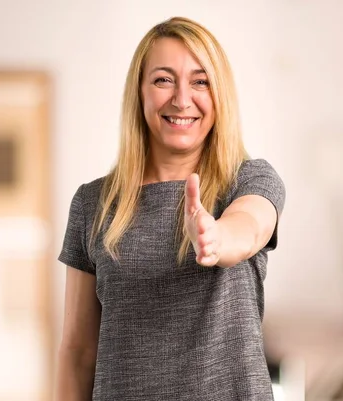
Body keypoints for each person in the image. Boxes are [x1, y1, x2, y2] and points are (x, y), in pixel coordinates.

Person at [56, 16, 285, 401]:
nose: (182, 99)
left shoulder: (248, 180)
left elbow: (251, 225)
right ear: (140, 93)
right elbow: (79, 351)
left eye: (200, 82)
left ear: (219, 95)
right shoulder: (92, 203)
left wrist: (217, 238)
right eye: (164, 80)